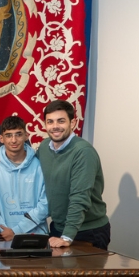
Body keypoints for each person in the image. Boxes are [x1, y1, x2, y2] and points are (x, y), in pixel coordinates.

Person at [36, 100, 110, 249]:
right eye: (50, 121)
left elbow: (80, 197)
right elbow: (27, 166)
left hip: (87, 231)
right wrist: (1, 152)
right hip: (58, 228)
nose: (55, 126)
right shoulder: (44, 147)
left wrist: (67, 236)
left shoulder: (83, 152)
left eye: (61, 121)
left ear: (73, 122)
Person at [0, 115, 49, 240]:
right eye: (9, 135)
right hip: (2, 236)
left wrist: (16, 231)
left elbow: (45, 205)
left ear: (26, 136)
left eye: (18, 134)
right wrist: (6, 231)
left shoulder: (41, 165)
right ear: (1, 138)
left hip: (36, 236)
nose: (14, 140)